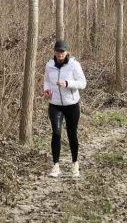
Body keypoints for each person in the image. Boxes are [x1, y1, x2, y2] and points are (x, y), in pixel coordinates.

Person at [43, 40, 87, 178]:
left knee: (72, 134)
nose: (60, 54)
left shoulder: (74, 65)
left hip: (72, 104)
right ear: (54, 52)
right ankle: (55, 165)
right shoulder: (49, 65)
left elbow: (83, 83)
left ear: (67, 52)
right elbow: (47, 81)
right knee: (56, 133)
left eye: (62, 51)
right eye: (57, 51)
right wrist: (47, 90)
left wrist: (67, 83)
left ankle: (75, 163)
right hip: (55, 104)